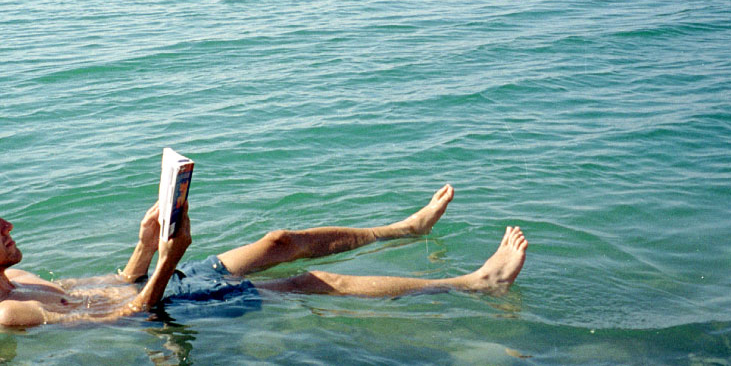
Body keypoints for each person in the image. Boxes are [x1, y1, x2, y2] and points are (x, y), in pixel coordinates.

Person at [0, 185, 527, 327]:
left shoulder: (19, 276)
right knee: (311, 280)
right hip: (167, 306)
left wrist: (146, 243)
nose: (8, 226)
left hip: (162, 278)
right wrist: (168, 258)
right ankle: (475, 283)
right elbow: (123, 318)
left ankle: (405, 229)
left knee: (281, 241)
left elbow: (118, 285)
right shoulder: (9, 313)